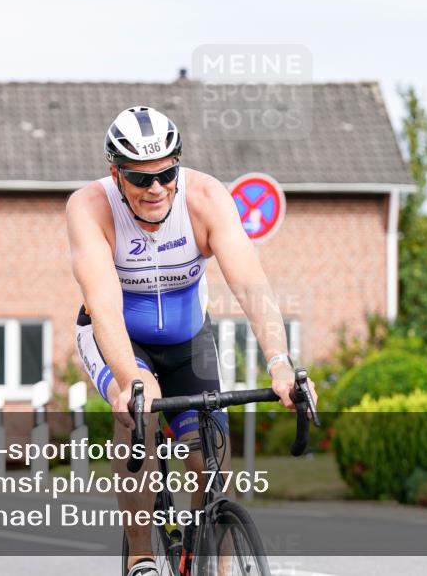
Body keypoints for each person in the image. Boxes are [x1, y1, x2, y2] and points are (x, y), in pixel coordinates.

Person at [67, 106, 317, 576]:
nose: (156, 188)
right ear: (115, 174)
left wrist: (280, 363)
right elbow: (102, 305)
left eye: (166, 174)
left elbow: (251, 286)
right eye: (141, 180)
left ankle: (214, 566)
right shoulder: (89, 208)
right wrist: (132, 378)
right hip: (115, 337)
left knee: (210, 455)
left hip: (187, 338)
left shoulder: (205, 198)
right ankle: (141, 556)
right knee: (134, 414)